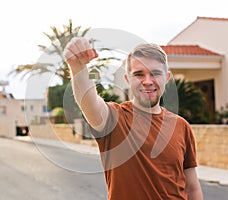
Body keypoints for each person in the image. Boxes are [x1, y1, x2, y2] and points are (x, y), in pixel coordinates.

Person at [63, 37, 203, 200]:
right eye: (139, 74)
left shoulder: (181, 126)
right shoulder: (114, 119)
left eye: (155, 73)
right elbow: (90, 103)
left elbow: (192, 187)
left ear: (167, 77)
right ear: (128, 79)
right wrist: (77, 67)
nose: (147, 81)